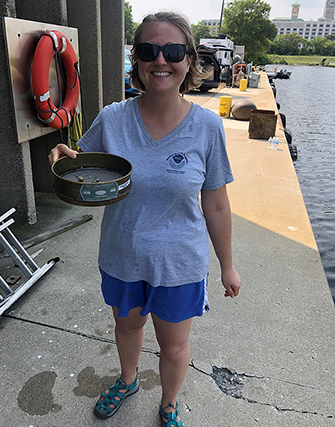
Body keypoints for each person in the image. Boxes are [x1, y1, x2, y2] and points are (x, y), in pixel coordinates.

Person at [49, 11, 241, 427]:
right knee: (127, 328)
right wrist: (67, 160)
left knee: (173, 348)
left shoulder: (207, 127)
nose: (161, 61)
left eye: (172, 51)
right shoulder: (112, 118)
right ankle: (129, 379)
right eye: (149, 51)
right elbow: (90, 168)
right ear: (135, 59)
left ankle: (169, 402)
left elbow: (217, 205)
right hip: (122, 257)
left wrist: (227, 265)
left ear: (189, 60)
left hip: (179, 265)